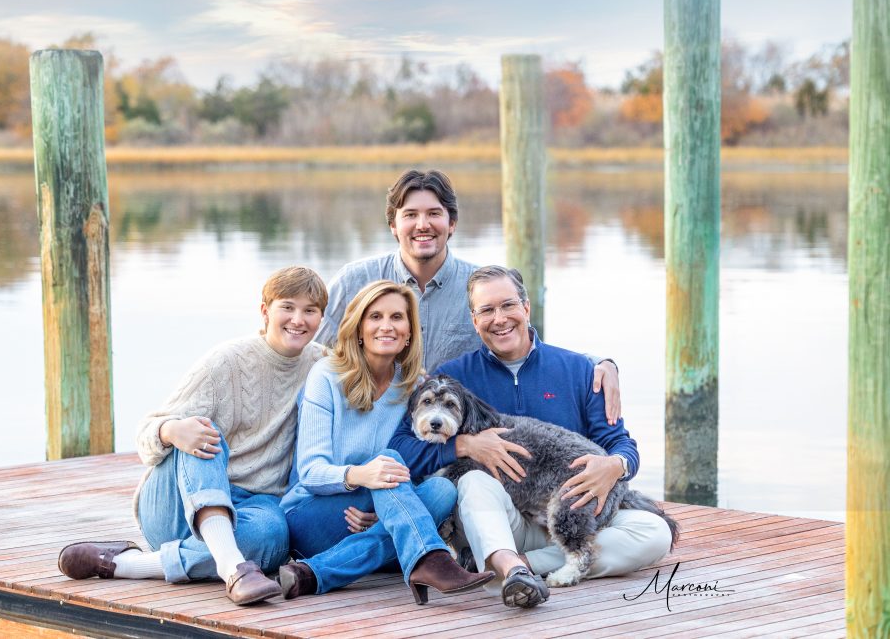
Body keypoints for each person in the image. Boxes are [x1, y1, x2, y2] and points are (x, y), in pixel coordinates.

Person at [389, 266, 673, 609]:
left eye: (508, 305)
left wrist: (615, 464)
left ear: (526, 307)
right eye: (487, 310)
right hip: (498, 517)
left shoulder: (580, 371)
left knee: (654, 533)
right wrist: (463, 444)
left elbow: (620, 442)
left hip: (568, 508)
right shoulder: (454, 378)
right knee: (472, 482)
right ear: (474, 320)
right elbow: (402, 446)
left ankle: (518, 568)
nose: (500, 319)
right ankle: (510, 560)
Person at [57, 266, 330, 605]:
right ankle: (233, 567)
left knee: (273, 536)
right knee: (201, 430)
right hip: (174, 506)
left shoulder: (323, 366)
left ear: (321, 317)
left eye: (310, 310)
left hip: (252, 507)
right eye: (287, 307)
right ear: (265, 311)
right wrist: (171, 430)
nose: (298, 319)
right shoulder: (225, 361)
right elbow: (146, 434)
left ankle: (126, 564)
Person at [316, 168, 623, 421]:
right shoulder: (354, 281)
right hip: (365, 424)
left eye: (434, 214)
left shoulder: (479, 291)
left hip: (445, 432)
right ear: (393, 226)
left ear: (452, 224)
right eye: (410, 215)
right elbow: (313, 353)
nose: (422, 225)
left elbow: (525, 346)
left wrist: (600, 363)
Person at [278, 280, 495, 604]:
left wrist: (386, 512)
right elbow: (310, 472)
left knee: (442, 490)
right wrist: (362, 476)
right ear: (359, 328)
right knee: (390, 458)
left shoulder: (413, 387)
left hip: (381, 513)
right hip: (312, 512)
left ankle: (311, 575)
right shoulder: (326, 376)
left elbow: (416, 469)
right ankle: (431, 559)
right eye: (375, 317)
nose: (386, 326)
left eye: (397, 317)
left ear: (409, 331)